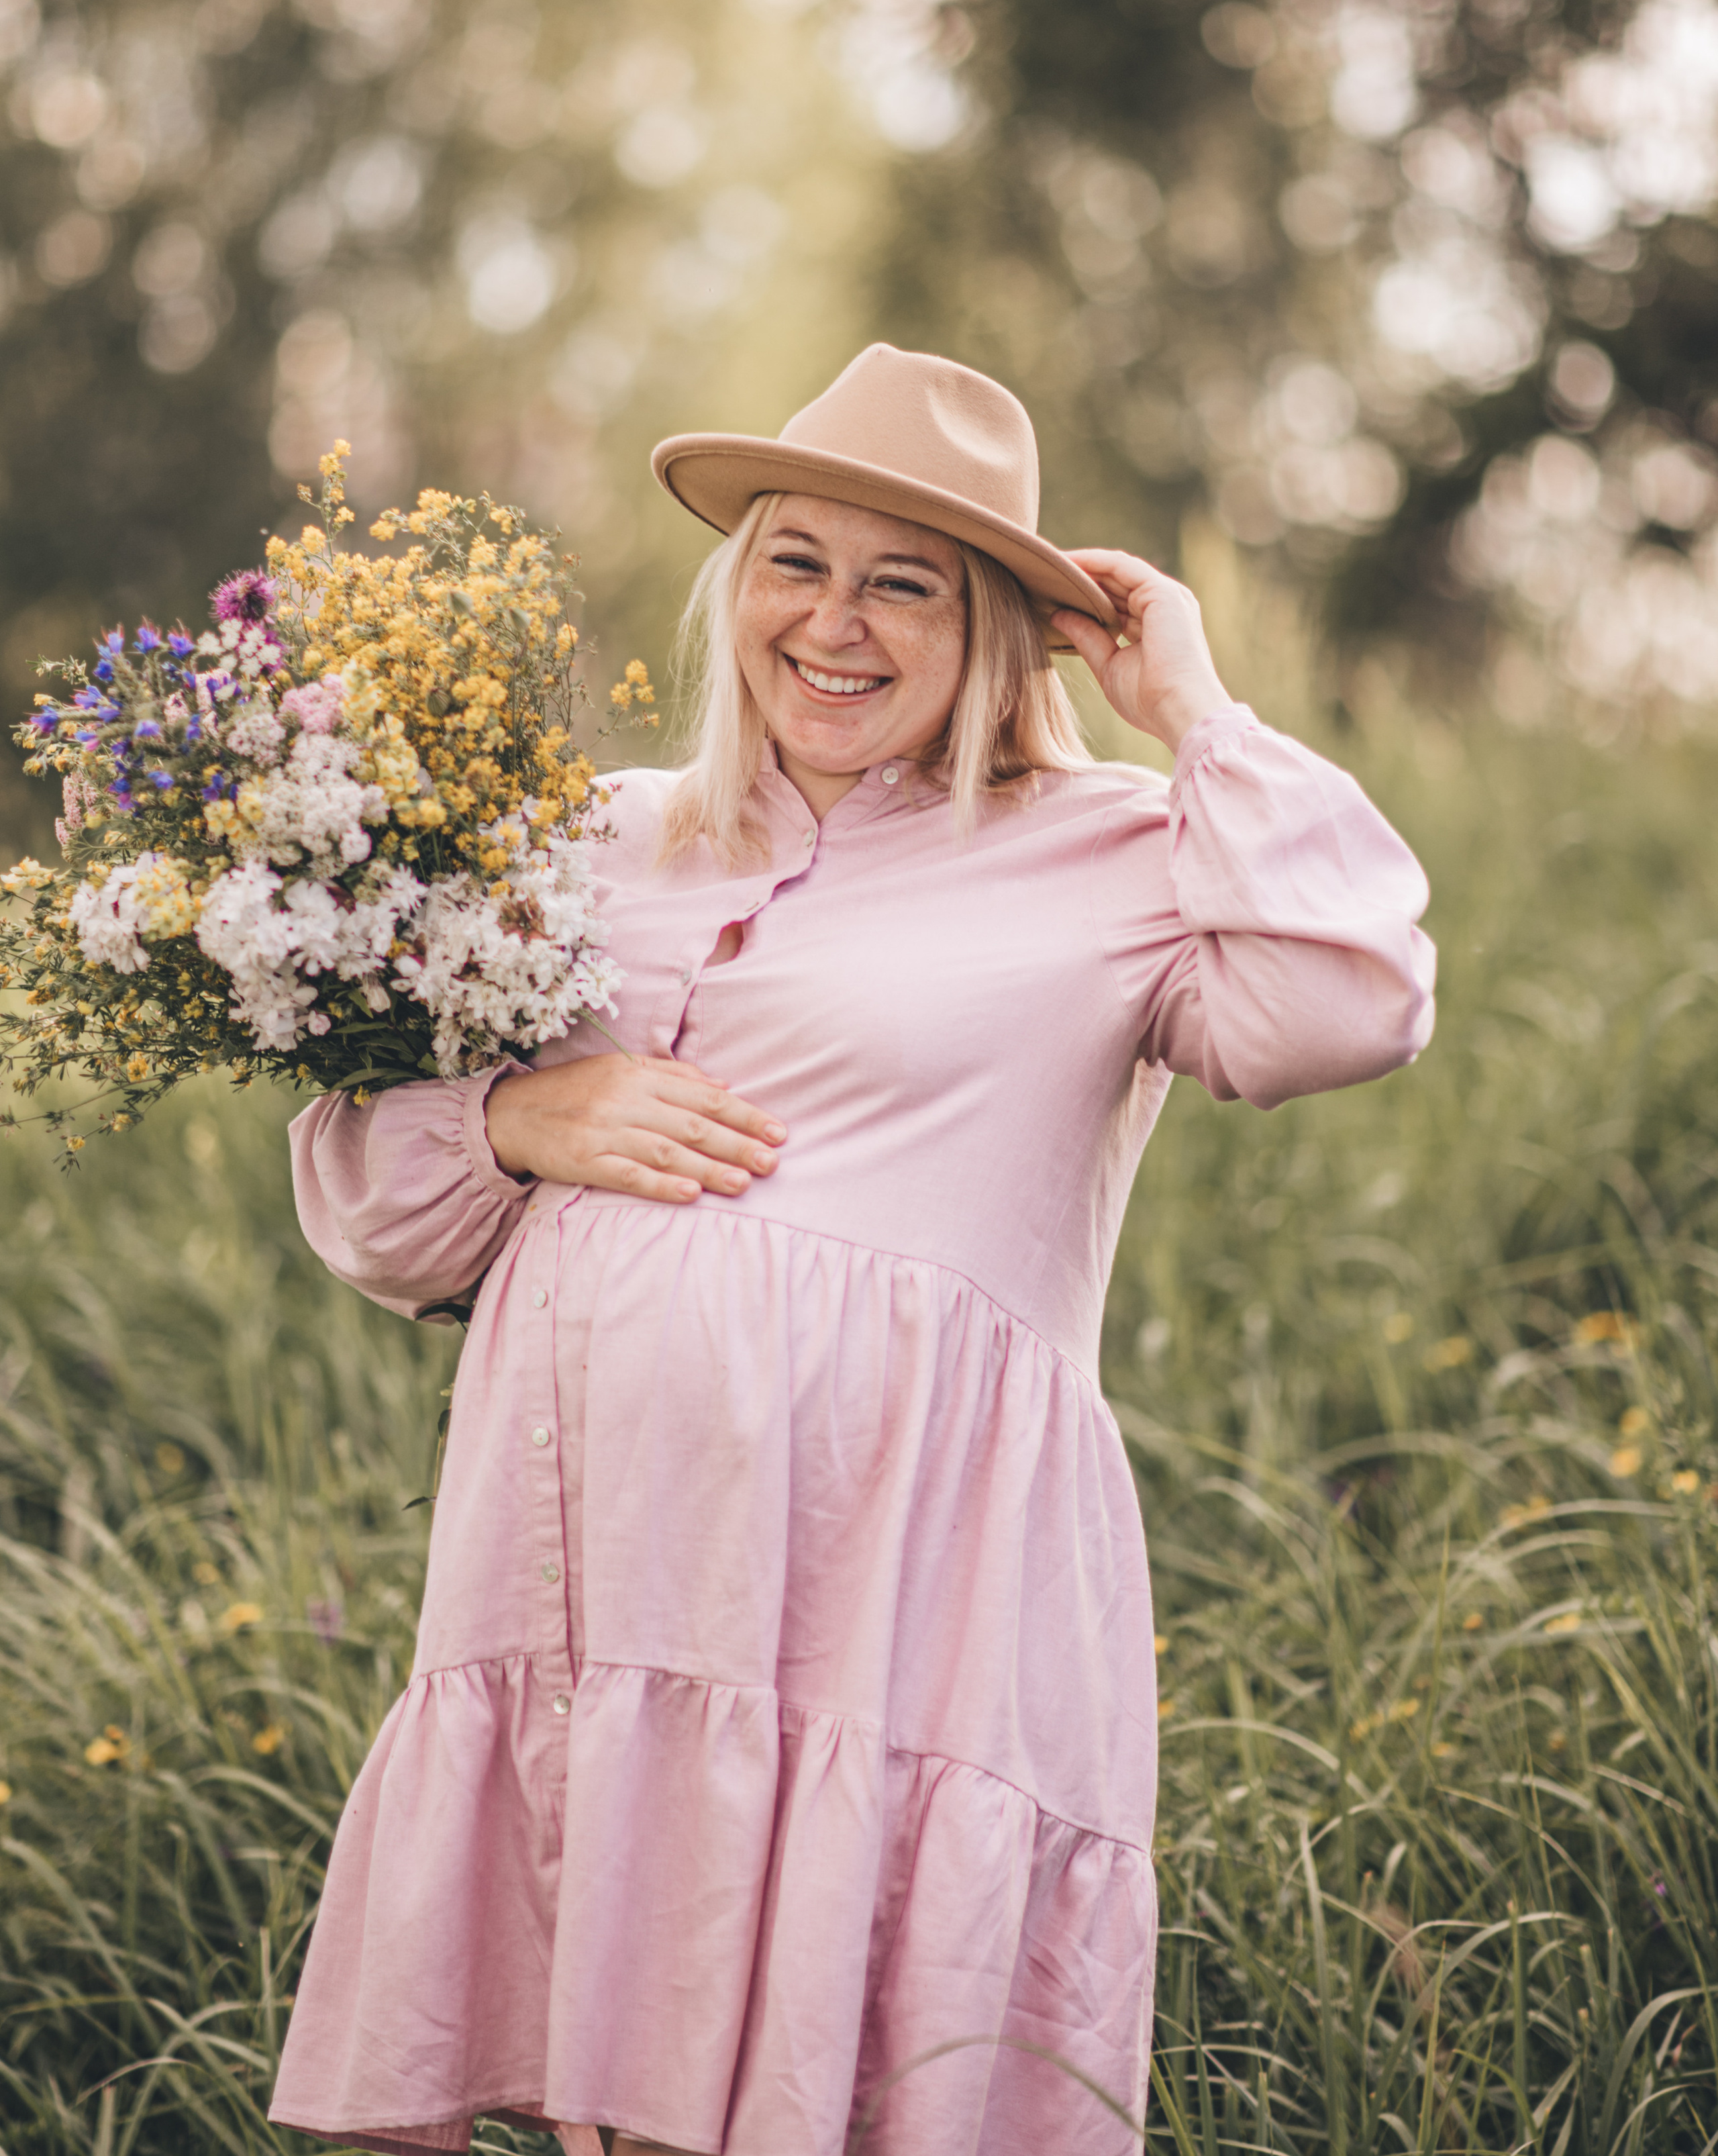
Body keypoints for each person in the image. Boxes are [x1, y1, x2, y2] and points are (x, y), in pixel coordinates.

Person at [268, 344, 1435, 2156]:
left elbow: (1348, 1001)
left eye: (909, 581)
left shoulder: (1115, 851)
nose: (838, 620)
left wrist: (1194, 708)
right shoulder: (590, 838)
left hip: (902, 1601)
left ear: (1001, 634)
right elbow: (366, 1197)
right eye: (798, 560)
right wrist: (520, 1122)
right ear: (740, 587)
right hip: (591, 1592)